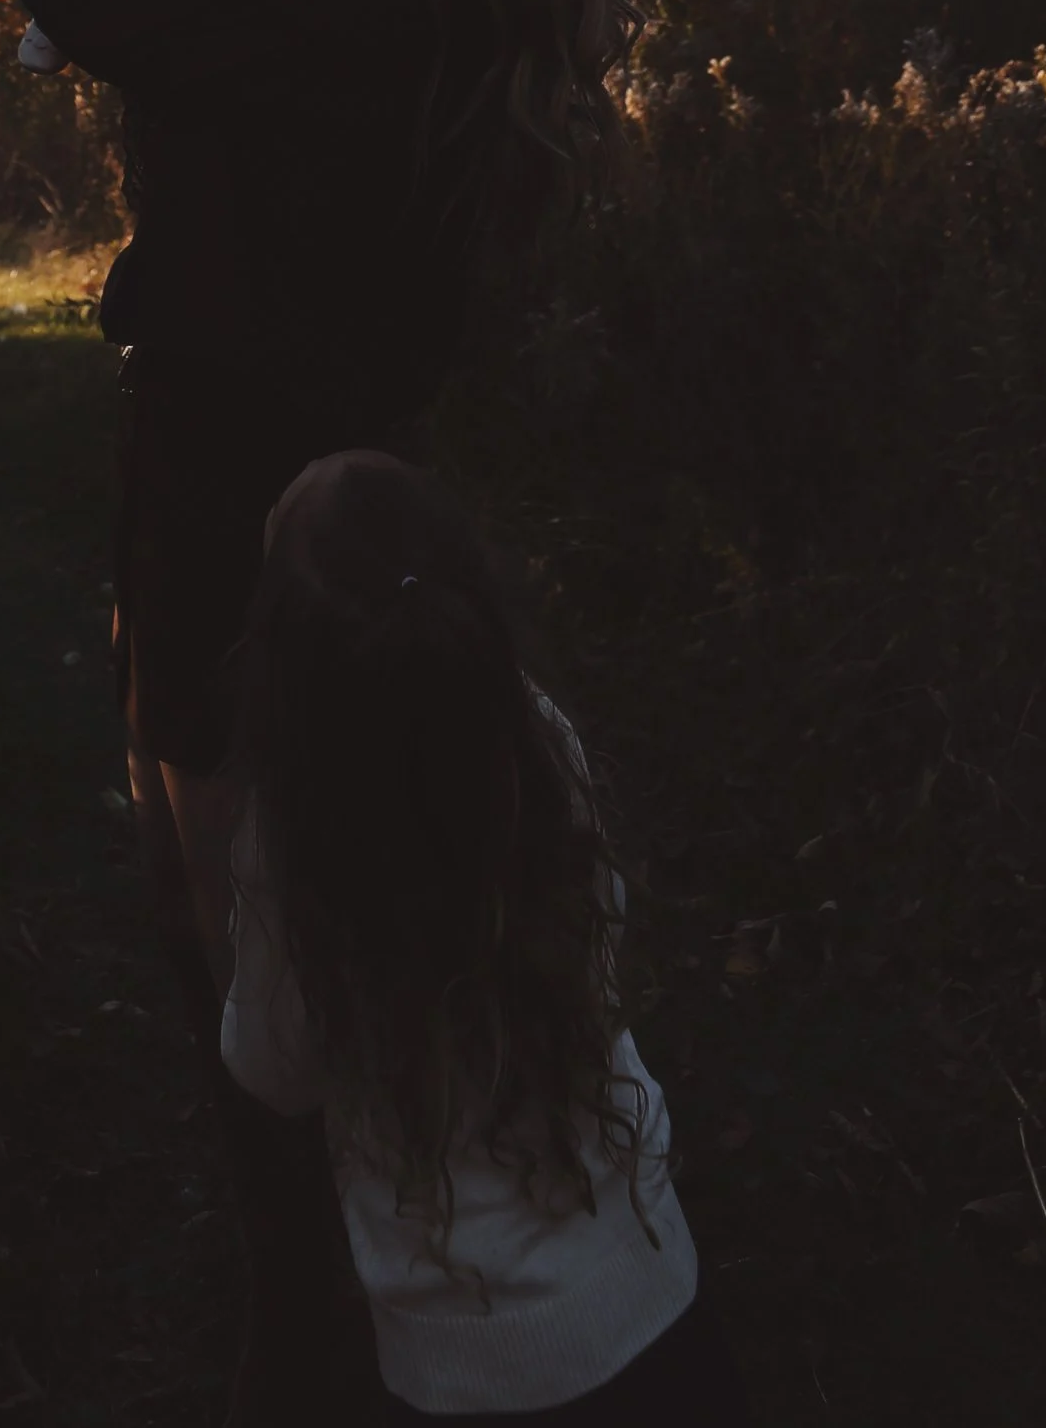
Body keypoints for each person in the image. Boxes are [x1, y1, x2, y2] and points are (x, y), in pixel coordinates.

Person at [0, 0, 631, 1423]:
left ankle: (319, 1315)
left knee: (243, 898)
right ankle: (391, 1247)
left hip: (228, 487)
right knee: (339, 861)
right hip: (360, 470)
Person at [226, 456, 748, 1426]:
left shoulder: (289, 835)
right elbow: (601, 941)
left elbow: (271, 1067)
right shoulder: (537, 738)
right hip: (646, 1286)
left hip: (465, 1359)